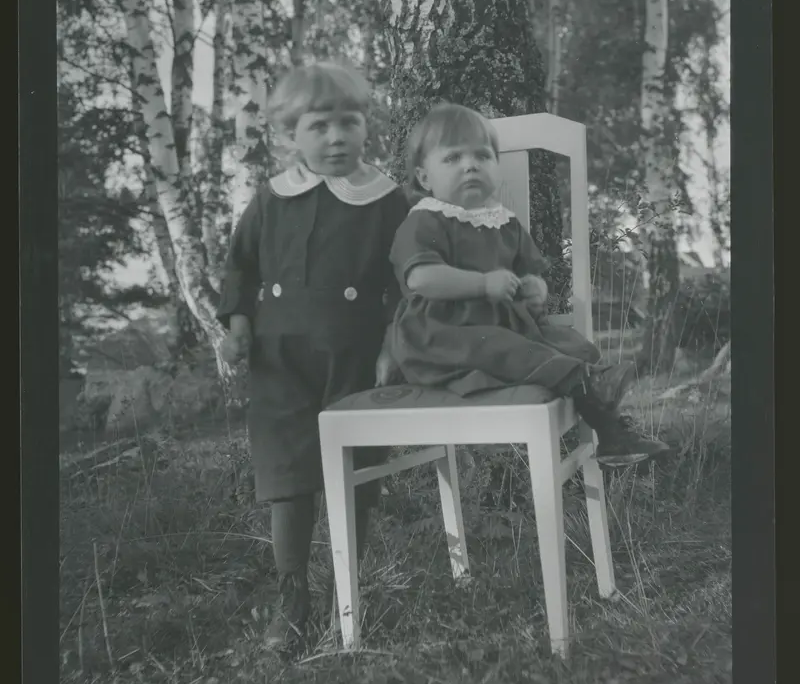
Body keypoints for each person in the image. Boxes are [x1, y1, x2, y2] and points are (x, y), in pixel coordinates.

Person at [217, 62, 409, 650]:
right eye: (319, 126)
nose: (336, 137)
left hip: (355, 355)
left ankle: (343, 597)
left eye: (349, 123)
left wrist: (393, 345)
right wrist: (238, 326)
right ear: (289, 135)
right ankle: (291, 597)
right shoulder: (273, 198)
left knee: (352, 473)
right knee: (288, 473)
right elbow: (241, 266)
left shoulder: (384, 199)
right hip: (280, 358)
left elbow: (406, 282)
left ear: (366, 126)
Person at [388, 103, 669, 467]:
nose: (470, 165)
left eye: (482, 156)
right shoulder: (426, 219)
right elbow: (421, 278)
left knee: (575, 346)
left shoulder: (503, 223)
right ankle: (598, 399)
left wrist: (536, 290)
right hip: (442, 335)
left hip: (502, 329)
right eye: (453, 158)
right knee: (508, 347)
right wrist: (483, 284)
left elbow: (529, 272)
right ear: (425, 178)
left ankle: (612, 433)